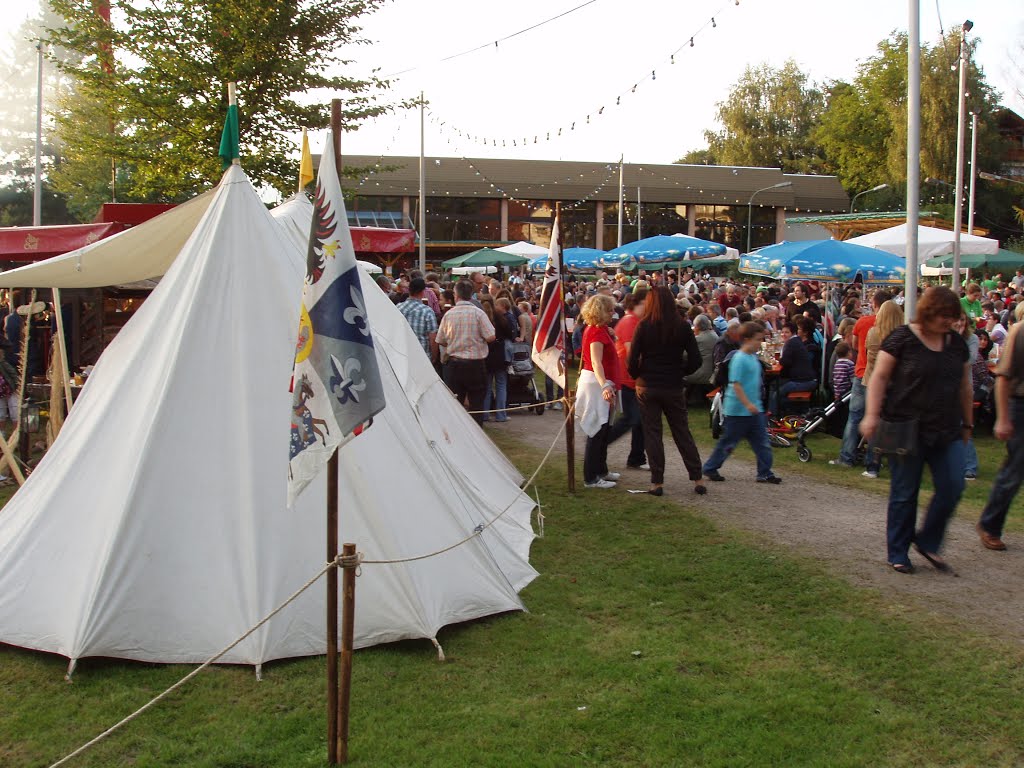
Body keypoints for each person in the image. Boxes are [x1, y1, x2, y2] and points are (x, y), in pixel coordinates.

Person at [860, 286, 971, 575]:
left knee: (953, 485)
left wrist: (968, 423)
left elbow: (965, 386)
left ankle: (927, 541)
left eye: (952, 316)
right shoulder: (902, 339)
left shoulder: (956, 345)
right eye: (943, 316)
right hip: (906, 428)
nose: (948, 322)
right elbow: (879, 377)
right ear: (928, 312)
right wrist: (871, 415)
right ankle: (898, 551)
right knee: (904, 492)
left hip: (946, 428)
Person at [627, 286, 706, 496]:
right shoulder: (682, 326)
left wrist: (637, 374)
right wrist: (681, 371)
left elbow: (632, 358)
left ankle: (657, 482)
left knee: (653, 433)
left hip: (648, 384)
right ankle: (697, 477)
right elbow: (696, 359)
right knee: (682, 432)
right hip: (672, 385)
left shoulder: (644, 326)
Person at [702, 322, 781, 485]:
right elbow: (736, 384)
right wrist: (747, 404)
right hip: (738, 410)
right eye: (757, 340)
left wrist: (755, 404)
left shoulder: (753, 357)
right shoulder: (739, 359)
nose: (760, 343)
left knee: (762, 443)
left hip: (753, 409)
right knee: (728, 443)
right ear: (746, 339)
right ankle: (710, 467)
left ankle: (765, 472)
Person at [977, 301, 1024, 551]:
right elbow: (1003, 377)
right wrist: (1003, 418)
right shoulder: (1021, 332)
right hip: (1021, 405)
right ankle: (990, 524)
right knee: (1015, 472)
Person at [833, 289, 892, 467]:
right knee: (877, 417)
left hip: (862, 373)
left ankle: (847, 457)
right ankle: (873, 461)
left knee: (855, 416)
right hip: (884, 377)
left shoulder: (863, 322)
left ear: (874, 304)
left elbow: (855, 345)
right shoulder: (893, 325)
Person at [436, 280, 495, 426]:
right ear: (471, 295)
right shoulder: (478, 313)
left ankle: (456, 432)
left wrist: (455, 342)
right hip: (475, 364)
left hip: (455, 363)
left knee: (455, 404)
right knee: (477, 403)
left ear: (456, 296)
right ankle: (477, 436)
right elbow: (491, 336)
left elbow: (441, 340)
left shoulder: (449, 315)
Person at [575, 294, 619, 489]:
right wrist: (604, 385)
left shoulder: (600, 330)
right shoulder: (595, 333)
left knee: (604, 429)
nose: (613, 313)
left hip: (603, 382)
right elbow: (596, 362)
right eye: (609, 310)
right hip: (596, 383)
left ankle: (601, 470)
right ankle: (591, 477)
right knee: (597, 430)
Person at [860, 300, 905, 479]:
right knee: (894, 425)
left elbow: (864, 352)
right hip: (895, 385)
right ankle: (896, 461)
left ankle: (873, 464)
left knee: (875, 426)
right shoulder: (902, 336)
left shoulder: (873, 333)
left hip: (872, 381)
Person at [607, 289, 649, 470]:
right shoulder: (630, 321)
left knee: (639, 420)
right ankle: (600, 443)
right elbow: (633, 354)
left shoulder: (635, 320)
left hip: (632, 379)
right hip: (627, 378)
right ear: (640, 302)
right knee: (631, 418)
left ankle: (637, 457)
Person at [480, 296, 517, 422]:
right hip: (499, 355)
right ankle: (500, 414)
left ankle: (484, 414)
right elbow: (510, 334)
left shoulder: (481, 317)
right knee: (501, 385)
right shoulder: (501, 318)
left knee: (487, 386)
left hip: (486, 354)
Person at [772, 319, 817, 414]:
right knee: (775, 385)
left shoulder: (791, 343)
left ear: (793, 333)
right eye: (782, 332)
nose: (784, 334)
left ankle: (773, 417)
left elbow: (785, 362)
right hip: (807, 379)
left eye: (787, 332)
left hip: (803, 382)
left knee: (775, 393)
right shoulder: (797, 341)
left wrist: (777, 360)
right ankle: (783, 413)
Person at [397, 277, 439, 363]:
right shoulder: (427, 311)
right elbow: (432, 337)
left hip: (402, 355)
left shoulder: (398, 307)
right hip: (422, 356)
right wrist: (434, 357)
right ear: (422, 292)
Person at [685, 314, 718, 394]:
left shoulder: (698, 339)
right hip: (712, 372)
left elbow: (684, 355)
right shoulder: (714, 335)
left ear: (697, 327)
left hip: (701, 373)